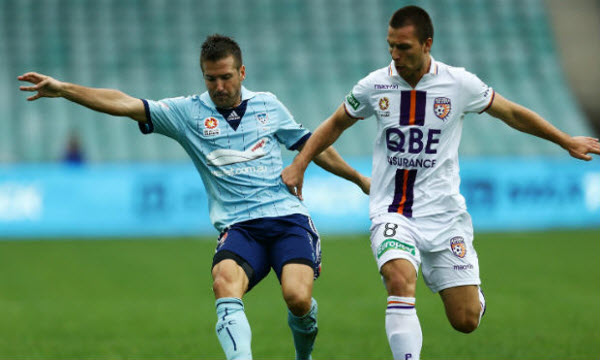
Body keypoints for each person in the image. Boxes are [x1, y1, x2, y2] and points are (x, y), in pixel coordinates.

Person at [18, 34, 370, 360]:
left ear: (242, 72)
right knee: (223, 282)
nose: (219, 86)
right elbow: (123, 103)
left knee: (297, 298)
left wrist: (358, 179)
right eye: (210, 78)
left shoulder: (268, 105)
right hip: (239, 226)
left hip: (287, 219)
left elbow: (313, 146)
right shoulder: (187, 113)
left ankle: (303, 356)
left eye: (226, 77)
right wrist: (64, 89)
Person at [281, 6, 600, 360]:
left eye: (404, 47)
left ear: (427, 44)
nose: (395, 55)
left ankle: (468, 292)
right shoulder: (375, 85)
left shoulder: (459, 83)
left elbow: (510, 112)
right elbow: (335, 123)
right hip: (393, 210)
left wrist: (565, 140)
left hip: (445, 216)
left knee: (465, 320)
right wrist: (300, 163)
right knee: (399, 280)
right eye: (391, 46)